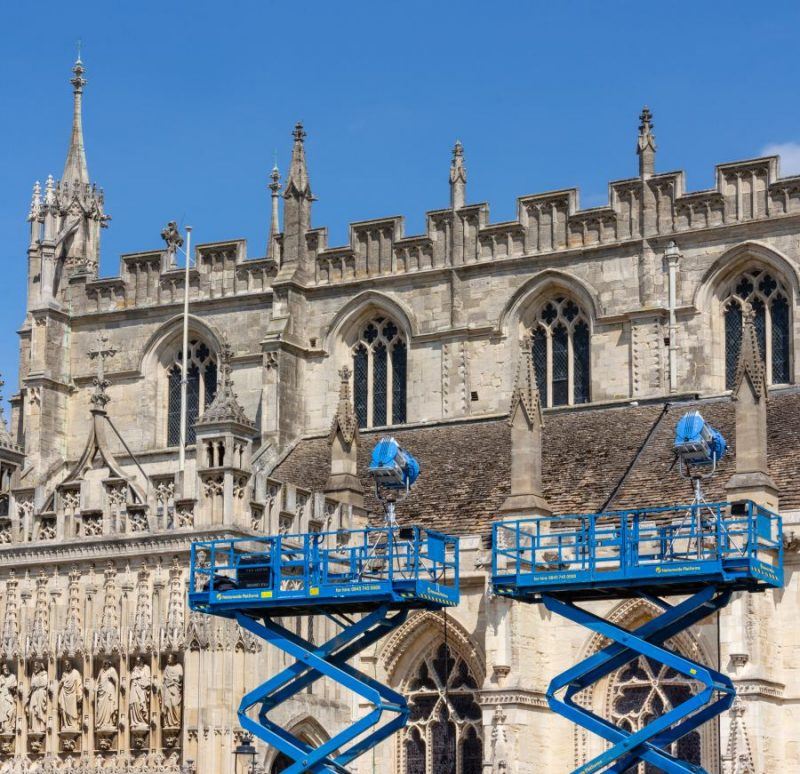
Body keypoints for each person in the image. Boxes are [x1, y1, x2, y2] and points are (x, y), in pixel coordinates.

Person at [57, 658, 82, 732]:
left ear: (71, 665)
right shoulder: (64, 674)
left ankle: (73, 725)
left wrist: (79, 694)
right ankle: (66, 725)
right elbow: (60, 685)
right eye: (65, 665)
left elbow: (79, 684)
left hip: (72, 695)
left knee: (72, 711)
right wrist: (61, 682)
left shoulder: (75, 673)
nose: (67, 666)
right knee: (63, 709)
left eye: (68, 664)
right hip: (64, 694)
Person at [95, 660, 119, 731]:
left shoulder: (112, 670)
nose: (105, 665)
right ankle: (101, 723)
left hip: (109, 690)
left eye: (106, 664)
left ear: (109, 664)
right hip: (101, 692)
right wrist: (96, 687)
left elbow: (117, 681)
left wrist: (112, 678)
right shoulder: (101, 671)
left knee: (109, 706)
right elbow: (97, 681)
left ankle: (109, 723)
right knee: (100, 706)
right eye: (104, 664)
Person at [161, 654, 183, 728]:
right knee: (167, 705)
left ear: (174, 659)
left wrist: (173, 679)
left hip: (175, 688)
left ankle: (176, 722)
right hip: (167, 688)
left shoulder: (179, 666)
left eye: (169, 658)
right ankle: (167, 722)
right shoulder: (167, 667)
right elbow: (164, 679)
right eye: (168, 658)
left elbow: (180, 677)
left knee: (174, 704)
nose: (168, 660)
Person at [129, 657, 151, 728]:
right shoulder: (135, 669)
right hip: (134, 688)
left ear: (142, 661)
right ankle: (135, 721)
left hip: (142, 690)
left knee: (141, 704)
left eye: (139, 661)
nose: (137, 663)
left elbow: (148, 680)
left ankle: (142, 721)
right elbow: (132, 679)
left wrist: (140, 679)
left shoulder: (146, 668)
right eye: (136, 661)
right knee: (135, 704)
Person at [26, 661, 48, 734]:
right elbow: (32, 684)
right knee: (32, 710)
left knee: (40, 711)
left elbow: (44, 683)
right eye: (34, 666)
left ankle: (41, 727)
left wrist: (36, 682)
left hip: (41, 693)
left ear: (40, 666)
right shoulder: (33, 674)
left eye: (36, 666)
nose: (35, 668)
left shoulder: (44, 673)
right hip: (34, 694)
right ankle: (33, 727)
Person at [0, 663, 16, 734]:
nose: (5, 670)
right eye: (4, 669)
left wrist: (11, 687)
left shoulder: (12, 676)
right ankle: (4, 727)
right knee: (3, 711)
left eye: (6, 668)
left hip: (9, 696)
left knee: (12, 709)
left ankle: (9, 727)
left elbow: (15, 687)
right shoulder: (1, 677)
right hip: (2, 696)